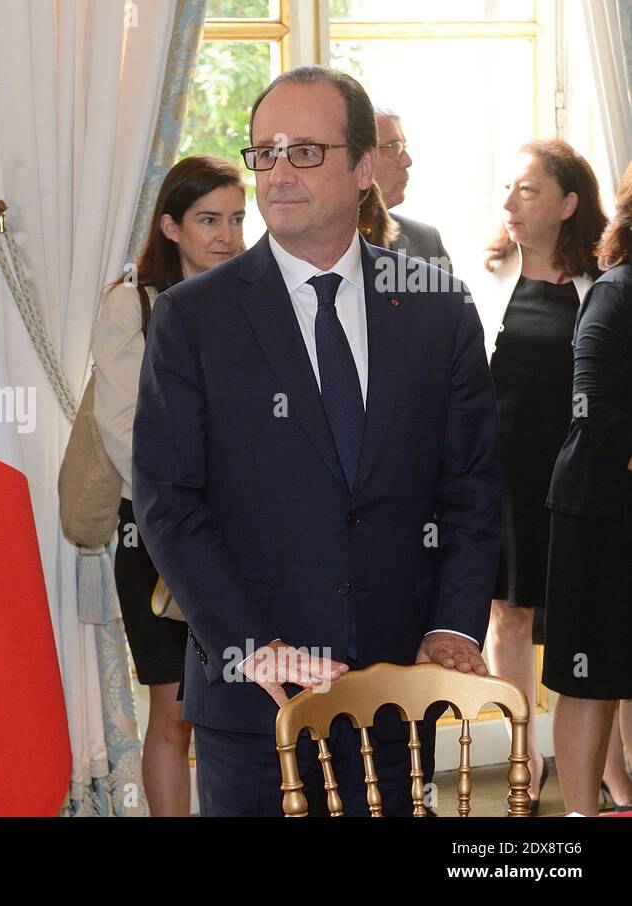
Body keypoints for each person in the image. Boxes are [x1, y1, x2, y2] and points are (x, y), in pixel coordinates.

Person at [132, 65, 501, 817]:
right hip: (257, 699)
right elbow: (168, 499)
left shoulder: (438, 307)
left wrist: (452, 625)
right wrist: (251, 642)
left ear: (364, 167)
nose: (278, 171)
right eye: (265, 152)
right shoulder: (193, 317)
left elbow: (472, 488)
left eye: (305, 150)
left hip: (404, 692)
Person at [91, 155, 245, 816]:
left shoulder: (254, 299)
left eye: (237, 219)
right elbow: (122, 426)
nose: (227, 236)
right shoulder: (132, 304)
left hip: (242, 535)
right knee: (174, 705)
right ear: (171, 226)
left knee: (241, 701)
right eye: (209, 219)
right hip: (154, 537)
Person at [472, 139, 605, 812]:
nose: (510, 203)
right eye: (509, 189)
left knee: (589, 617)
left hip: (577, 470)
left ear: (568, 203)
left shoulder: (602, 280)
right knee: (510, 614)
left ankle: (611, 771)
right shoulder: (486, 269)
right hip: (502, 468)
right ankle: (524, 758)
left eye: (528, 190)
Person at [543, 159, 632, 815]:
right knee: (591, 675)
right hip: (596, 514)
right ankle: (579, 815)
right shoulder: (616, 291)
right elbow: (593, 407)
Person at [372, 107, 452, 271]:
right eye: (393, 147)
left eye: (403, 147)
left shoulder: (427, 244)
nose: (407, 161)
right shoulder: (311, 242)